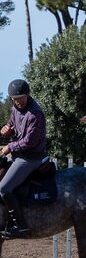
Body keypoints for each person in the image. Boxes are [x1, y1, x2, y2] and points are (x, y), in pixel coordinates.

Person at [0, 79, 47, 238]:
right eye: (16, 99)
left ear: (28, 95)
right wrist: (8, 131)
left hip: (30, 158)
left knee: (3, 188)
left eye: (22, 98)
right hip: (18, 155)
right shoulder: (14, 109)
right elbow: (13, 127)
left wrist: (8, 147)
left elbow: (29, 141)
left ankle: (21, 227)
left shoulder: (35, 113)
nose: (19, 101)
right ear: (11, 99)